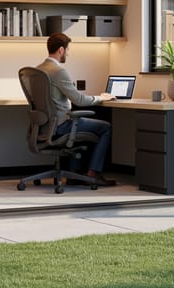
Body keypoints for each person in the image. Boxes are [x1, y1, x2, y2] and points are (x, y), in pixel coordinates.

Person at [36, 32, 117, 186]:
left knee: (77, 122)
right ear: (61, 50)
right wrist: (101, 97)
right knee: (105, 127)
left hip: (45, 126)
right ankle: (93, 174)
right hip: (60, 125)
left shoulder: (38, 70)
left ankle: (74, 174)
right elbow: (79, 100)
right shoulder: (58, 71)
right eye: (67, 49)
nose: (68, 53)